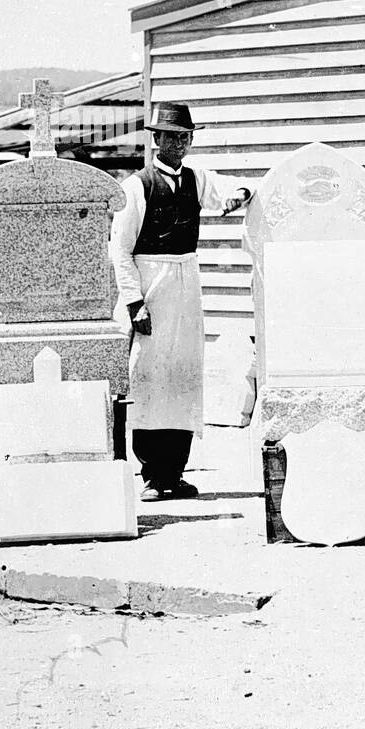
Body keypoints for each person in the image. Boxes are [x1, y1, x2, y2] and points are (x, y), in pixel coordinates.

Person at [109, 101, 257, 501]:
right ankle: (150, 474)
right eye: (170, 136)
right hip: (150, 284)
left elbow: (232, 190)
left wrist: (239, 195)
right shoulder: (136, 187)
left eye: (184, 136)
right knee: (150, 377)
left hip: (186, 284)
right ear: (156, 139)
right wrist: (134, 303)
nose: (177, 143)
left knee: (185, 375)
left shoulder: (195, 178)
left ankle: (175, 472)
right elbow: (119, 251)